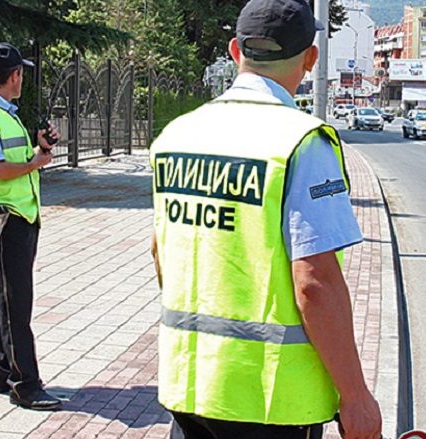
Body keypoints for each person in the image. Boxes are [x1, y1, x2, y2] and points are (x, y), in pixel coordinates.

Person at [150, 0, 382, 438]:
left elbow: (162, 251)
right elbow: (314, 283)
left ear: (236, 51)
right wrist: (356, 397)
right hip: (270, 402)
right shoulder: (301, 143)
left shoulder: (176, 135)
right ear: (310, 59)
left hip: (190, 384)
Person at [0, 42, 60, 411]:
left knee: (1, 298)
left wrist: (40, 149)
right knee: (17, 304)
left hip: (19, 219)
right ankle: (26, 385)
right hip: (5, 221)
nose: (23, 78)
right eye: (22, 72)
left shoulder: (5, 112)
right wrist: (35, 162)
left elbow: (15, 158)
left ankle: (1, 373)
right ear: (14, 75)